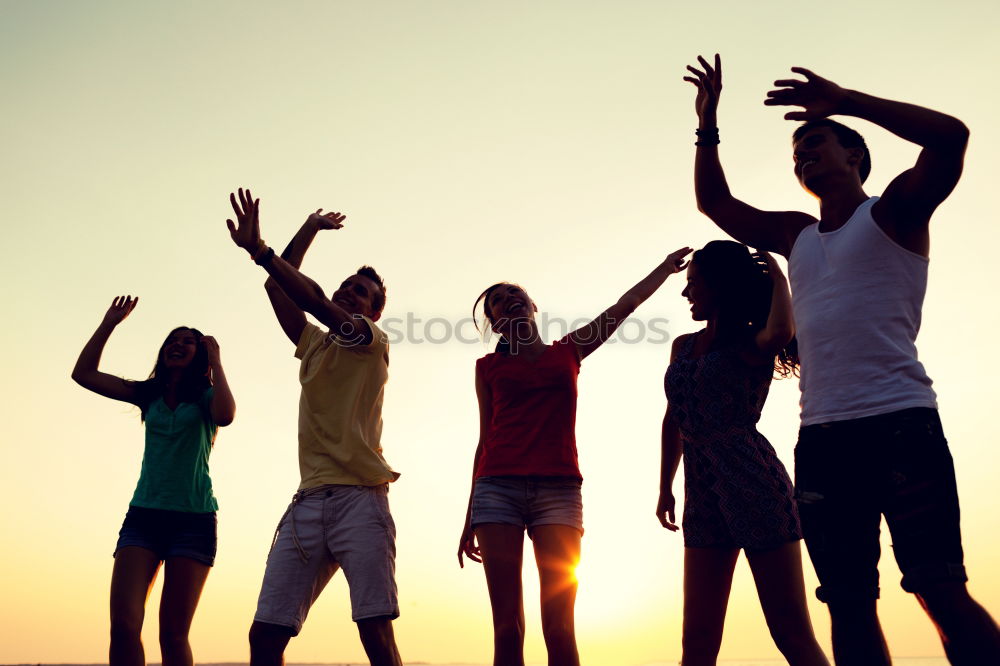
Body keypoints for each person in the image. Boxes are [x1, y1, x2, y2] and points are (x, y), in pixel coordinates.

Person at [683, 54, 1000, 665]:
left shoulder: (895, 212)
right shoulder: (797, 235)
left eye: (816, 140)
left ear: (855, 156)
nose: (802, 152)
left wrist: (848, 100)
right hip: (823, 440)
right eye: (795, 149)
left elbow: (951, 136)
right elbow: (714, 202)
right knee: (848, 602)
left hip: (901, 424)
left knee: (939, 588)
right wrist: (707, 121)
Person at [457, 246, 692, 666]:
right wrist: (469, 514)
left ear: (532, 306)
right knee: (507, 627)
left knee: (560, 628)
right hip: (497, 491)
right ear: (494, 322)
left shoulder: (568, 351)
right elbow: (483, 439)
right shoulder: (487, 367)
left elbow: (625, 306)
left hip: (559, 490)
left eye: (515, 294)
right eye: (497, 301)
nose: (508, 299)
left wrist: (664, 269)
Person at [226, 188, 402, 666]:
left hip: (361, 501)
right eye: (347, 285)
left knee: (375, 633)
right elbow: (278, 289)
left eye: (360, 292)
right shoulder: (314, 344)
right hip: (309, 501)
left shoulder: (369, 339)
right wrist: (308, 228)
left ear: (375, 310)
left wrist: (262, 251)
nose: (349, 292)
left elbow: (317, 299)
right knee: (264, 636)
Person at [657, 241, 829, 666]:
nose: (686, 293)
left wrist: (778, 276)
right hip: (701, 493)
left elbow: (781, 333)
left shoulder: (754, 342)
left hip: (753, 483)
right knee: (696, 641)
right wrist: (665, 487)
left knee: (790, 631)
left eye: (693, 284)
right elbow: (672, 420)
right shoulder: (682, 346)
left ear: (719, 286)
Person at [72, 296, 236, 666]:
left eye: (188, 341)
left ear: (201, 355)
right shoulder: (147, 395)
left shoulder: (207, 398)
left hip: (193, 521)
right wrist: (109, 324)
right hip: (143, 518)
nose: (177, 344)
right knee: (124, 627)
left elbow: (226, 416)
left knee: (173, 636)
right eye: (171, 340)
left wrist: (218, 363)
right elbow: (83, 375)